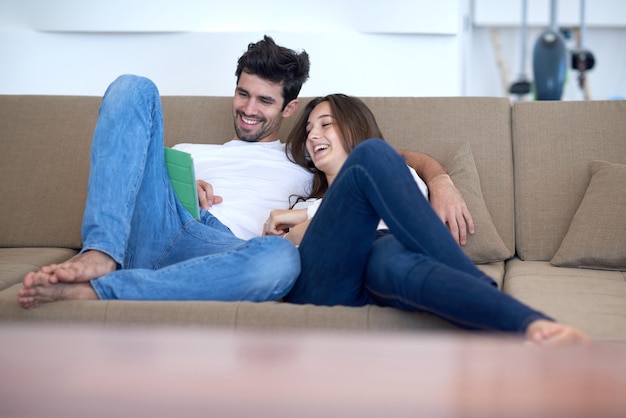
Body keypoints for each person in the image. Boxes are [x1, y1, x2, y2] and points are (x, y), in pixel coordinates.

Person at [17, 36, 469, 308]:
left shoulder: (305, 155)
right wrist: (175, 182)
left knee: (279, 260)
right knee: (134, 88)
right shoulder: (190, 150)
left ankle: (106, 291)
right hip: (158, 223)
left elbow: (376, 155)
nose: (249, 110)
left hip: (224, 252)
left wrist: (439, 178)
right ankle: (101, 253)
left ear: (290, 108)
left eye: (265, 101)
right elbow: (127, 165)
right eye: (242, 94)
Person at [263, 94, 590, 345]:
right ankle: (476, 285)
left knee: (400, 263)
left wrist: (440, 179)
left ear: (352, 127)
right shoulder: (309, 201)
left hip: (385, 253)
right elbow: (293, 243)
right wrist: (305, 215)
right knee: (372, 158)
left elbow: (398, 199)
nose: (313, 135)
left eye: (325, 124)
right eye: (308, 130)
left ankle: (534, 326)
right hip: (327, 282)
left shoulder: (399, 173)